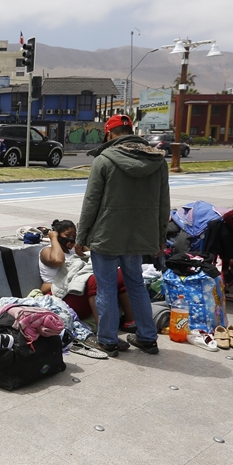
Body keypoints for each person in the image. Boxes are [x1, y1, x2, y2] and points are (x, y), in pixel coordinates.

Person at [75, 114, 168, 356]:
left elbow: (91, 203)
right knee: (136, 284)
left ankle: (107, 340)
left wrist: (81, 237)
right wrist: (160, 238)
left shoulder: (104, 160)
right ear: (132, 131)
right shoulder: (157, 160)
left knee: (106, 288)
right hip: (139, 236)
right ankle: (147, 338)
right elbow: (163, 202)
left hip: (107, 235)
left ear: (108, 134)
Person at [38, 219, 136, 330]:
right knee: (93, 280)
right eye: (67, 235)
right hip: (62, 294)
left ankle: (130, 321)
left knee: (119, 274)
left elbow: (95, 260)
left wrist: (81, 246)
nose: (71, 238)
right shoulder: (47, 251)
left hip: (78, 289)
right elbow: (58, 261)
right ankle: (104, 332)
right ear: (58, 235)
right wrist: (53, 238)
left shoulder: (73, 251)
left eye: (74, 235)